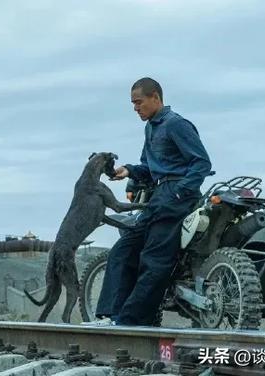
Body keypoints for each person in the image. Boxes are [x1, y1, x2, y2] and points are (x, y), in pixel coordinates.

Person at [91, 77, 212, 326]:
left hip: (176, 198)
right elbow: (148, 167)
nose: (135, 108)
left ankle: (130, 321)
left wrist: (180, 192)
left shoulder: (176, 124)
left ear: (155, 97)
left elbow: (201, 162)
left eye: (139, 102)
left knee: (154, 259)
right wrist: (129, 171)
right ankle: (109, 315)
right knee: (122, 250)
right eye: (133, 104)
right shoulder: (151, 128)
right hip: (157, 196)